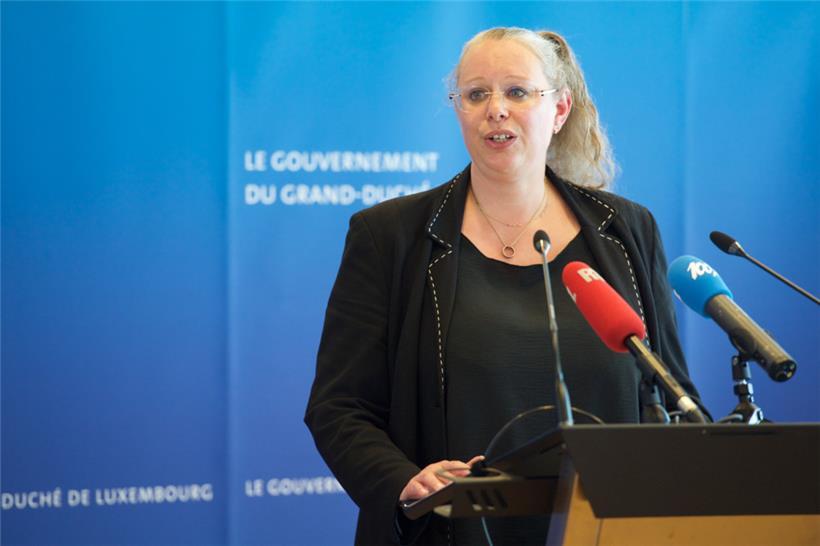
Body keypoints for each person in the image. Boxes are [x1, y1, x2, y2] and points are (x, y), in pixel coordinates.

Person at [305, 27, 706, 545]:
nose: (496, 109)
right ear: (460, 111)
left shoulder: (627, 230)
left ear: (559, 109)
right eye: (476, 94)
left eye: (517, 91)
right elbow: (339, 407)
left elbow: (671, 391)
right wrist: (402, 480)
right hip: (453, 532)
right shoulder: (390, 237)